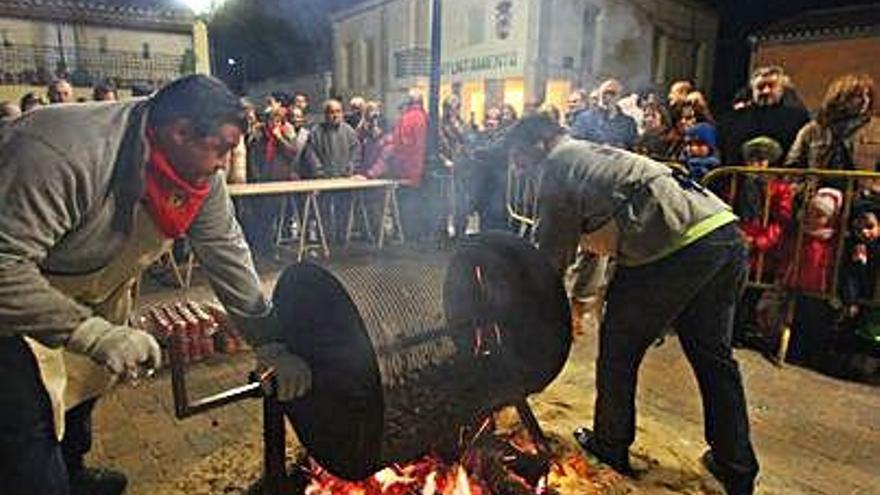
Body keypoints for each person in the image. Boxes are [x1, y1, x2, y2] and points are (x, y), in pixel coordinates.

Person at [0, 75, 312, 495]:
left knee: (81, 389)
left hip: (90, 284)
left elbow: (225, 251)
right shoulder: (61, 152)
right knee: (25, 426)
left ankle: (72, 470)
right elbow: (5, 266)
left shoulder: (195, 171)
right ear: (179, 130)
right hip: (15, 300)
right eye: (219, 148)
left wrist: (267, 340)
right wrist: (92, 334)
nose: (223, 163)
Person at [505, 114, 759, 495]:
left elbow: (549, 256)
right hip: (722, 234)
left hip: (672, 248)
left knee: (618, 353)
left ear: (538, 144)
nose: (520, 170)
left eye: (520, 159)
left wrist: (524, 311)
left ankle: (610, 444)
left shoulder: (558, 165)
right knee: (713, 357)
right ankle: (735, 464)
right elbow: (588, 249)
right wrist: (581, 301)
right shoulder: (591, 154)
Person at [785, 74, 878, 171]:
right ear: (840, 97)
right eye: (858, 96)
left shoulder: (877, 131)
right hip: (818, 185)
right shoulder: (812, 131)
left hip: (863, 185)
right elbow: (792, 168)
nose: (865, 101)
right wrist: (804, 184)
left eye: (868, 96)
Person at [719, 66, 810, 165]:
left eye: (771, 86)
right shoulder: (733, 119)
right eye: (761, 87)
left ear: (782, 89)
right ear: (752, 89)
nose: (766, 91)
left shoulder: (798, 118)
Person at [570, 78, 638, 150]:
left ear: (619, 96)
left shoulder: (628, 123)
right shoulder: (584, 119)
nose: (608, 97)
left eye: (612, 93)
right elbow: (576, 146)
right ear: (599, 95)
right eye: (605, 93)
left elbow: (631, 148)